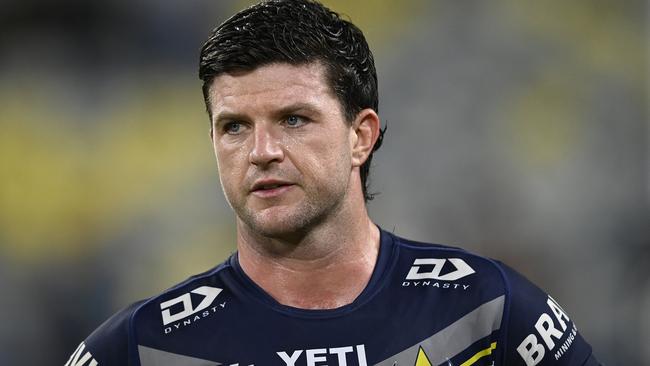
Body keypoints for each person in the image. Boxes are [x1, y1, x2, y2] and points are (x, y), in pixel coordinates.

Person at [65, 1, 601, 365]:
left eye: (294, 119)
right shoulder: (146, 346)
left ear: (360, 137)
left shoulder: (485, 310)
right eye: (234, 127)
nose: (262, 151)